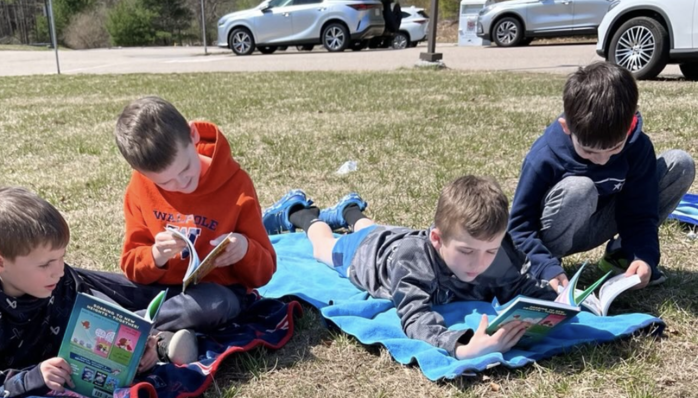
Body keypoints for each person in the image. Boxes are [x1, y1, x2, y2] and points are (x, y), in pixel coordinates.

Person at [0, 186, 195, 398]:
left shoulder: (55, 278)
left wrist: (134, 352)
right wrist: (31, 378)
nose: (60, 270)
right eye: (46, 264)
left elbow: (86, 336)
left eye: (62, 257)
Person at [263, 176, 553, 360]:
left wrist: (556, 299)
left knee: (374, 228)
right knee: (324, 247)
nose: (480, 263)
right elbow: (415, 317)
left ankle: (349, 211)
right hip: (366, 254)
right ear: (437, 240)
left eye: (490, 250)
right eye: (467, 251)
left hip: (395, 234)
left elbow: (519, 284)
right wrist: (462, 348)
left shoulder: (493, 252)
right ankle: (301, 213)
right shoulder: (414, 263)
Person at [508, 61, 695, 292]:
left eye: (615, 148)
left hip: (602, 223)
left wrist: (643, 255)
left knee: (680, 163)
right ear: (567, 127)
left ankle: (621, 256)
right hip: (554, 233)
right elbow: (519, 226)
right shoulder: (544, 155)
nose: (602, 160)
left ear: (630, 124)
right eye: (588, 151)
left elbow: (640, 211)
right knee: (580, 188)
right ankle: (549, 269)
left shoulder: (638, 146)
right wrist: (543, 263)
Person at [114, 96, 277, 349]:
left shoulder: (236, 185)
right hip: (159, 292)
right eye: (165, 183)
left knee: (212, 305)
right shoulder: (139, 186)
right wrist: (155, 255)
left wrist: (244, 248)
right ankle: (161, 342)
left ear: (193, 136)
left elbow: (264, 272)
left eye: (185, 169)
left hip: (216, 294)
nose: (180, 184)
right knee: (83, 282)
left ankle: (124, 330)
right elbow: (131, 266)